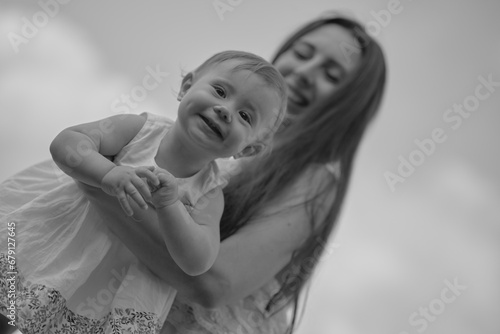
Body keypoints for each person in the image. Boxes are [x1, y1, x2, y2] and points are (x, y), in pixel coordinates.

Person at [78, 14, 387, 334]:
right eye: (304, 53)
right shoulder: (208, 140)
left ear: (349, 105)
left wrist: (96, 182)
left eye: (332, 75)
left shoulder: (314, 178)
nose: (306, 72)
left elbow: (214, 284)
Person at [0, 50, 287, 333]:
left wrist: (171, 205)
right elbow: (67, 143)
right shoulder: (141, 130)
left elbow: (198, 261)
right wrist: (108, 173)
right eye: (220, 91)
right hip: (57, 239)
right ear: (187, 86)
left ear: (248, 149)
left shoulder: (210, 193)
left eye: (246, 116)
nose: (226, 110)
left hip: (108, 290)